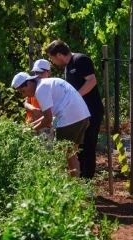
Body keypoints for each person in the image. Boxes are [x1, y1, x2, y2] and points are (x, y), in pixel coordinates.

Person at [11, 72, 90, 177]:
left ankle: (64, 186)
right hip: (82, 115)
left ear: (29, 83)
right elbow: (51, 116)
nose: (24, 95)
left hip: (69, 117)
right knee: (71, 154)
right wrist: (30, 127)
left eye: (23, 91)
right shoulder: (46, 83)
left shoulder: (40, 89)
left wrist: (30, 131)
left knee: (60, 155)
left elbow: (47, 118)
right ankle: (75, 187)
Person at [45, 40, 104, 179]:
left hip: (91, 110)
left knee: (88, 146)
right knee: (79, 148)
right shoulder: (68, 66)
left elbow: (91, 81)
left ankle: (87, 181)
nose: (52, 62)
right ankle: (80, 180)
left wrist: (74, 97)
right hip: (79, 113)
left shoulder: (80, 60)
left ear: (59, 54)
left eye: (51, 58)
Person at [25, 59, 54, 140]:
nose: (38, 75)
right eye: (36, 72)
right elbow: (26, 103)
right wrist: (34, 110)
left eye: (41, 72)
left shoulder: (51, 86)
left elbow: (53, 112)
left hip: (46, 125)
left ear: (49, 72)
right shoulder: (33, 86)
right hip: (31, 123)